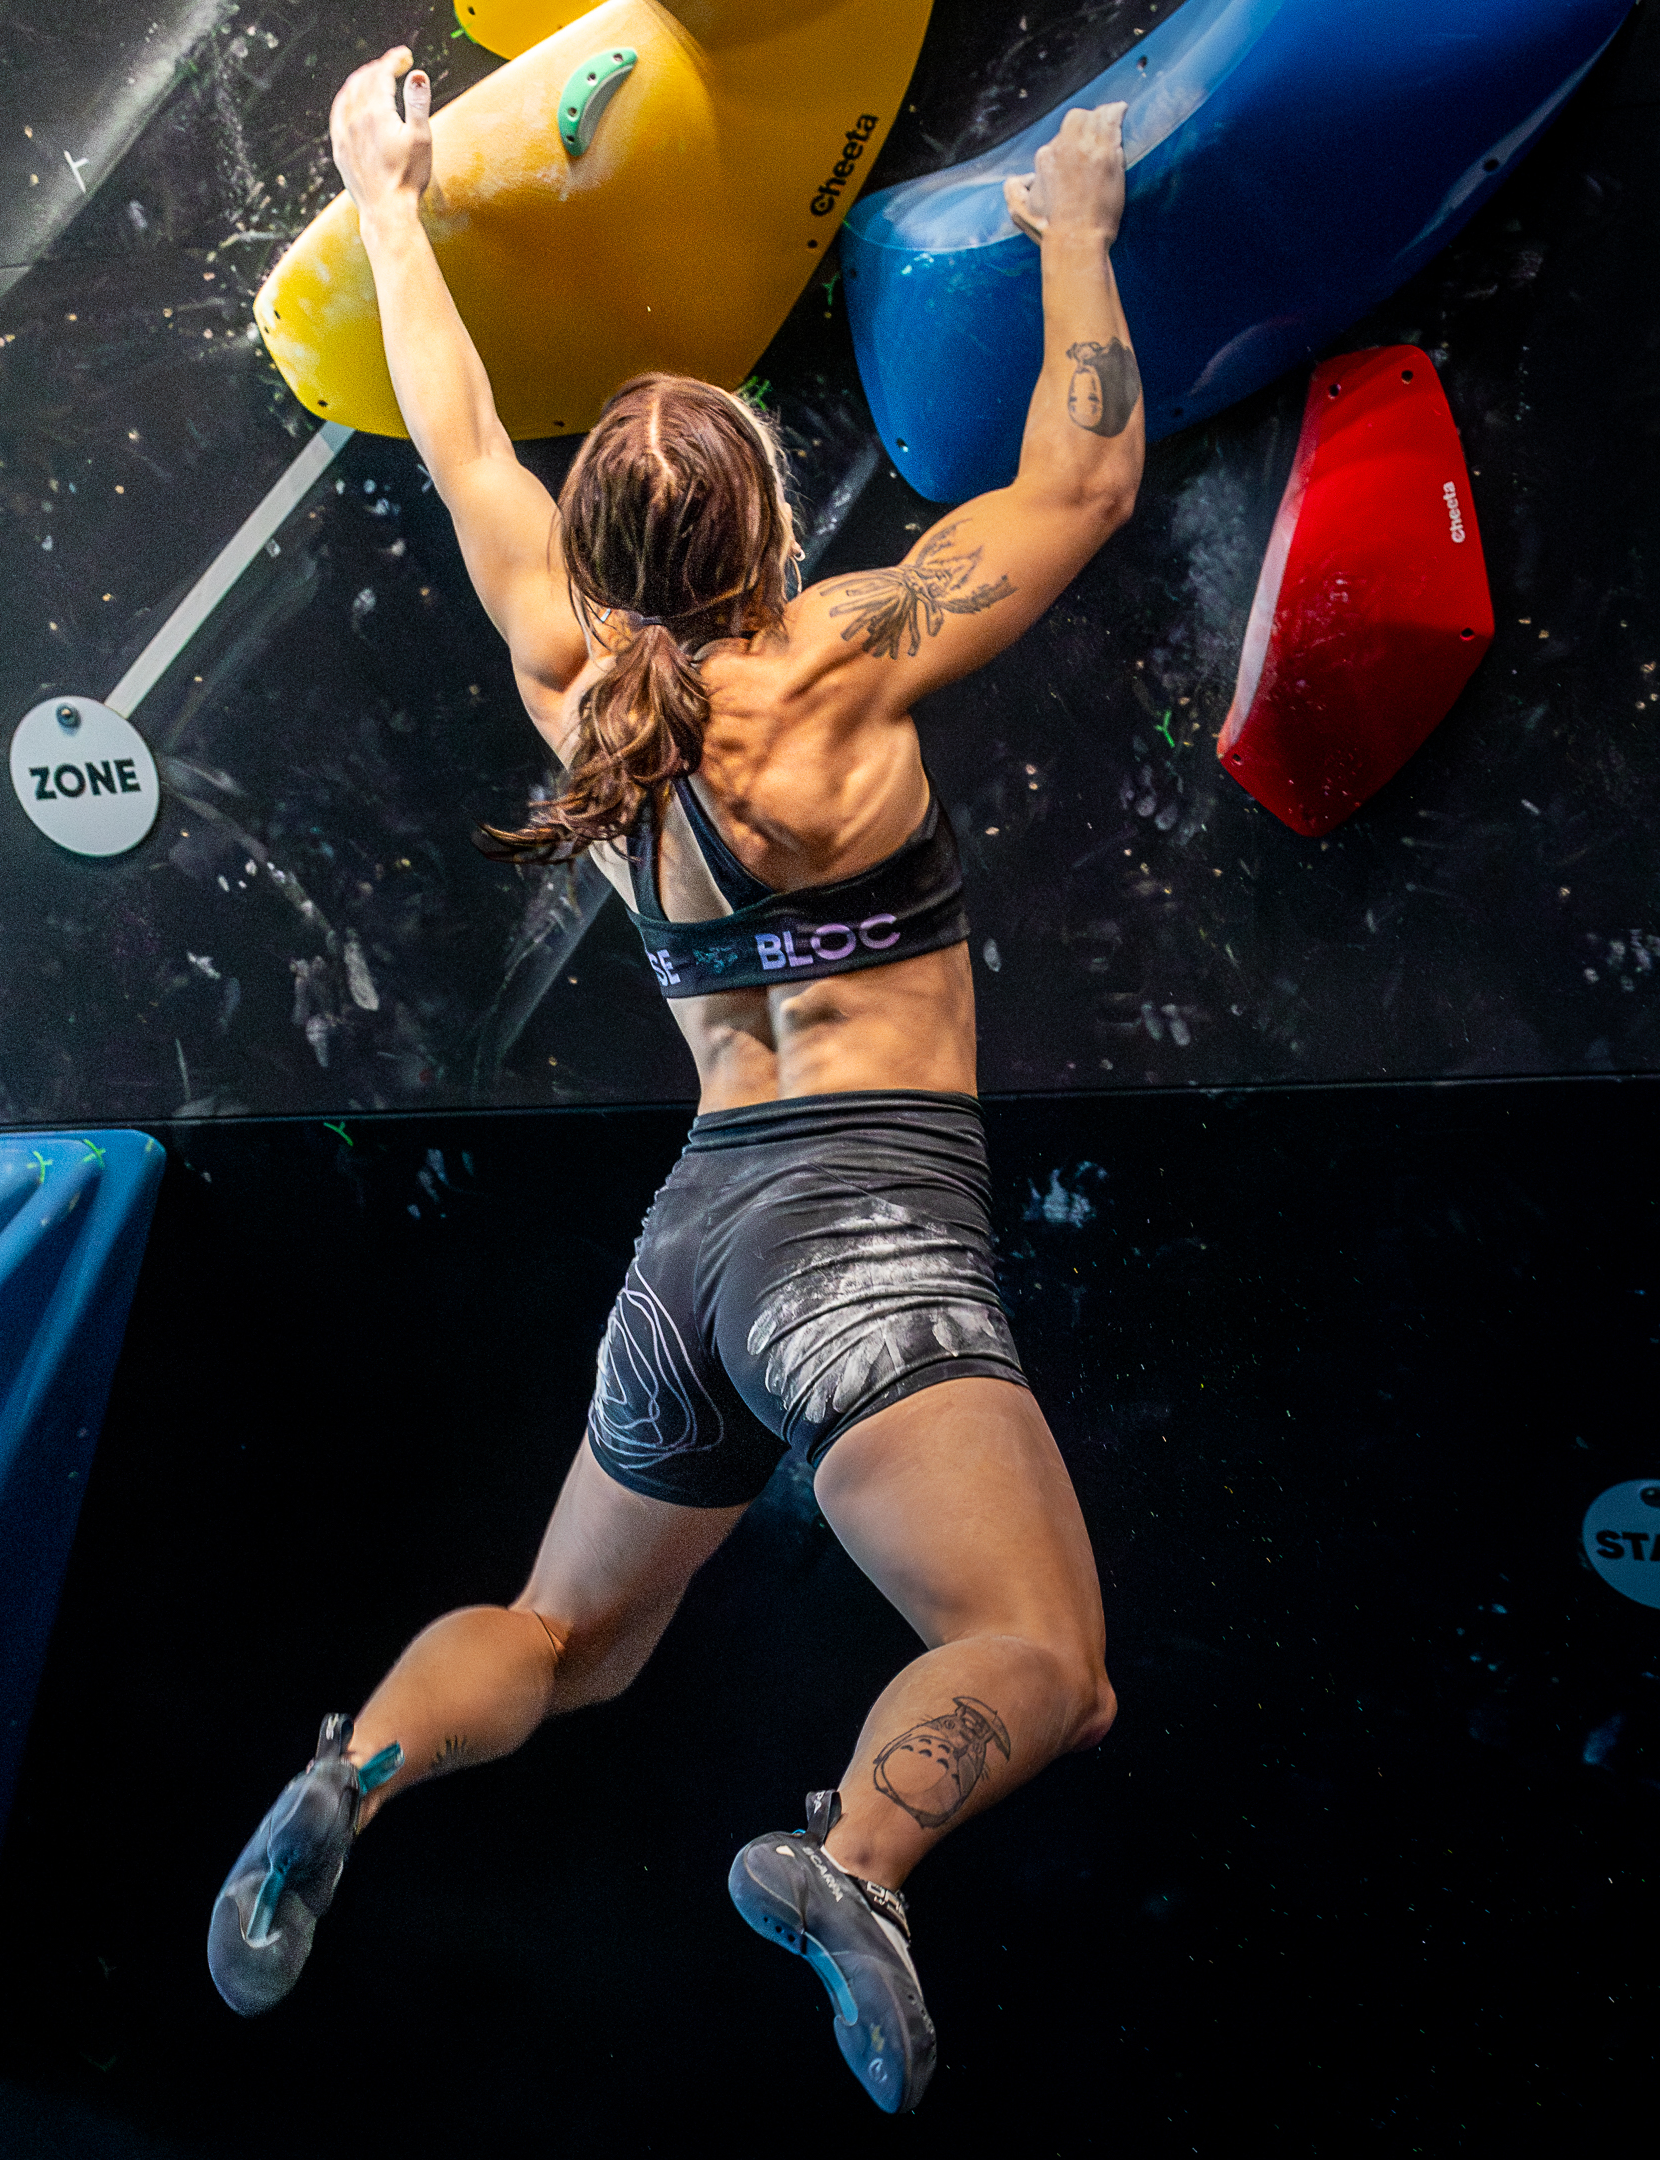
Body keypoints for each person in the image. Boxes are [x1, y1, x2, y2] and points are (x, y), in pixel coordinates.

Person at [208, 48, 1145, 2116]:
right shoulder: (842, 659)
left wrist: (388, 200)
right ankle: (851, 1857)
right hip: (862, 1228)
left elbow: (459, 438)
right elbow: (1079, 488)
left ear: (598, 549)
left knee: (568, 1639)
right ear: (772, 528)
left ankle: (351, 1778)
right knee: (1049, 1664)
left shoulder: (571, 676)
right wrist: (1076, 236)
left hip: (695, 1248)